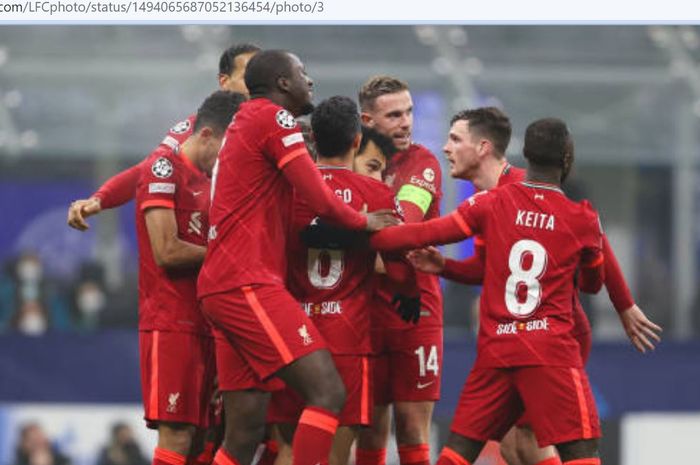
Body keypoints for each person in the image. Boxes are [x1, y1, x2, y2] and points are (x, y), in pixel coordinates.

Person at [409, 108, 662, 465]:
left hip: (553, 335)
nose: (446, 148)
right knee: (516, 445)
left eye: (455, 139)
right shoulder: (489, 200)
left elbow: (596, 238)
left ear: (482, 148)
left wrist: (624, 305)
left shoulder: (522, 190)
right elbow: (484, 269)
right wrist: (445, 266)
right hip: (524, 335)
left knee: (525, 440)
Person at [196, 50, 397, 465]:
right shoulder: (273, 118)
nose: (312, 82)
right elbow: (322, 200)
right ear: (283, 83)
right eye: (303, 73)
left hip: (222, 285)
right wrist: (363, 222)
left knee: (245, 430)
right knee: (328, 392)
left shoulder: (244, 122)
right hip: (246, 282)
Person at [370, 117, 609, 465]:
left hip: (498, 350)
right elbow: (592, 284)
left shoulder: (490, 203)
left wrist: (364, 231)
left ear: (525, 156)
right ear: (567, 161)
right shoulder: (582, 218)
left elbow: (422, 234)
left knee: (458, 453)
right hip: (550, 350)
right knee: (579, 452)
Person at [266, 97, 409, 465]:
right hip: (348, 336)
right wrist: (405, 287)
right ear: (357, 142)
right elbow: (398, 263)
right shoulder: (377, 195)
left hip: (293, 336)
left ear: (312, 138)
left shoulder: (288, 191)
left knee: (289, 448)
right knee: (333, 455)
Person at [134, 90, 244, 465]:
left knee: (203, 438)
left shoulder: (213, 180)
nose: (228, 159)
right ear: (208, 135)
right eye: (226, 148)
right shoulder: (162, 168)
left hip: (208, 323)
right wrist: (229, 255)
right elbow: (166, 250)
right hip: (171, 323)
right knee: (177, 433)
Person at [66, 43, 260, 230]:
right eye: (248, 78)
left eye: (262, 80)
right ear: (224, 82)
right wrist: (100, 199)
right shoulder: (200, 129)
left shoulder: (279, 128)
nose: (257, 86)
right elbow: (149, 169)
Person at [355, 75, 443, 465]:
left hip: (415, 309)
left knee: (411, 426)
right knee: (370, 427)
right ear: (368, 121)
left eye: (408, 112)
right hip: (365, 311)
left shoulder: (423, 163)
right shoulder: (351, 162)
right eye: (394, 115)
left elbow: (400, 230)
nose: (406, 122)